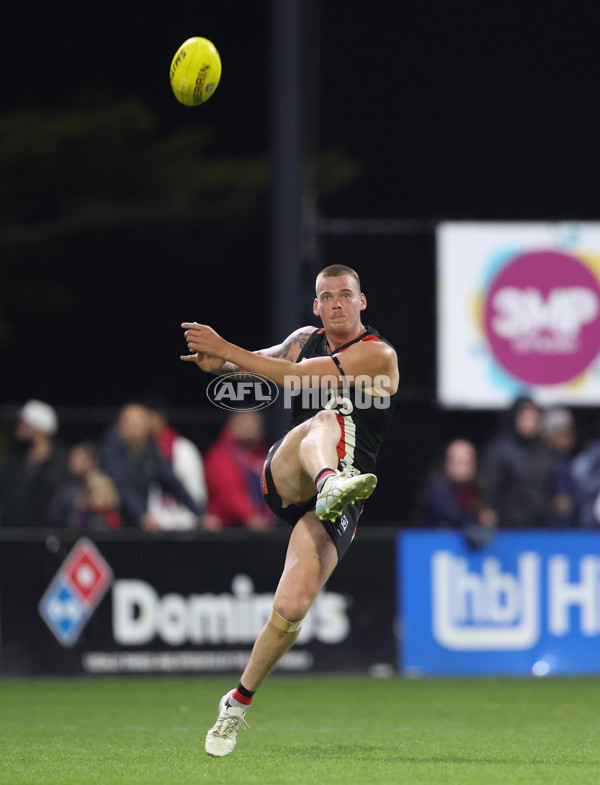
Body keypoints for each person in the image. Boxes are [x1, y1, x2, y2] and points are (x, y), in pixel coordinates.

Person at [181, 264, 399, 757]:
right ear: (316, 306)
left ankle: (235, 704)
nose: (338, 303)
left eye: (347, 295)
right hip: (292, 473)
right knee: (323, 416)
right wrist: (221, 364)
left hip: (348, 495)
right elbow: (262, 364)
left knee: (292, 608)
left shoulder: (378, 354)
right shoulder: (304, 339)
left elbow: (295, 377)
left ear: (363, 302)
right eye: (328, 296)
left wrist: (225, 350)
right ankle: (327, 482)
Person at [99, 403, 204, 530]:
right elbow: (123, 488)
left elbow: (172, 482)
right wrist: (142, 516)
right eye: (129, 423)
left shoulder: (150, 450)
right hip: (112, 525)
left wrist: (201, 514)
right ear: (120, 424)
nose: (133, 428)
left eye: (138, 423)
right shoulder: (109, 451)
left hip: (138, 523)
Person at [480, 396, 557, 527]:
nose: (530, 424)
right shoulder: (499, 451)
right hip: (509, 527)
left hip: (542, 526)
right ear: (514, 419)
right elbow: (488, 488)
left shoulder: (547, 452)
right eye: (525, 419)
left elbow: (552, 488)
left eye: (533, 419)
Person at [202, 410, 276, 531]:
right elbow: (228, 491)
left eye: (255, 422)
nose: (250, 426)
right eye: (244, 421)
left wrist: (271, 515)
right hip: (228, 529)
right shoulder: (220, 454)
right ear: (231, 426)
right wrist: (249, 516)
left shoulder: (265, 455)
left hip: (263, 526)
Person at [0, 399, 68, 527]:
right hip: (12, 535)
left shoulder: (61, 461)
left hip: (46, 536)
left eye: (25, 424)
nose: (19, 428)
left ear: (39, 427)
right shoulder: (13, 458)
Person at [418, 438, 495, 548]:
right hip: (437, 544)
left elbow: (489, 514)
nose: (463, 468)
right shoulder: (437, 485)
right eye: (459, 462)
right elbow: (447, 512)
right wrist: (476, 518)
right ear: (448, 462)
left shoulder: (479, 486)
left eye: (467, 462)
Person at [144, 399, 207, 531]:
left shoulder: (184, 449)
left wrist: (191, 519)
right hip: (150, 527)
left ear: (159, 417)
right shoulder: (142, 450)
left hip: (185, 527)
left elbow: (196, 493)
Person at [51, 441, 121, 529]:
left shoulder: (103, 481)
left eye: (80, 457)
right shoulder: (66, 489)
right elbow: (56, 515)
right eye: (73, 457)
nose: (74, 462)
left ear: (92, 460)